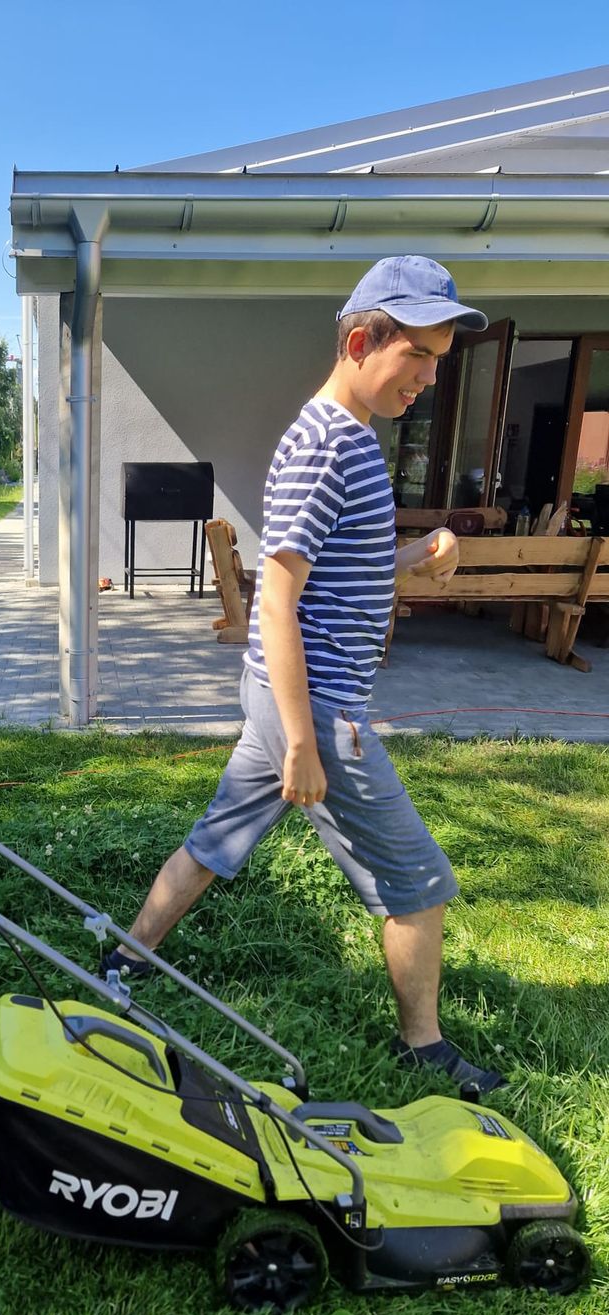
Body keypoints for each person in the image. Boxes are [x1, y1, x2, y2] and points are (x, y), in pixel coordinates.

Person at [105, 255, 504, 1094]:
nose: (430, 380)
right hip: (317, 705)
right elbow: (277, 599)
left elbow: (338, 567)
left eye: (439, 360)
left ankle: (121, 964)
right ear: (363, 340)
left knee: (213, 843)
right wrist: (301, 741)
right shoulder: (326, 445)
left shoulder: (350, 439)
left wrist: (413, 557)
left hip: (292, 697)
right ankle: (423, 1046)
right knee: (420, 882)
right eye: (419, 358)